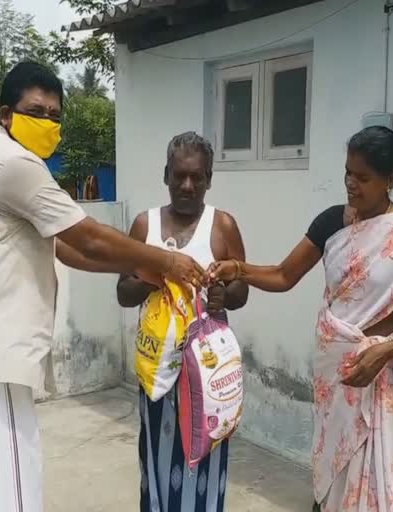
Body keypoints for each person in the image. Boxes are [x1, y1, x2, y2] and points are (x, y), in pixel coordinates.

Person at [0, 62, 205, 512]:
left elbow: (68, 249)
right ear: (5, 114)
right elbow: (88, 236)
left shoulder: (16, 167)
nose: (48, 123)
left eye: (55, 115)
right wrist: (168, 261)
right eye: (36, 111)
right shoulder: (12, 165)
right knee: (3, 493)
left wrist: (146, 272)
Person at [209, 126, 393, 512]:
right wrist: (238, 268)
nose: (351, 184)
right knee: (332, 477)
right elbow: (284, 275)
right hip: (336, 376)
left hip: (378, 375)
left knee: (374, 487)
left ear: (391, 179)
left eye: (363, 177)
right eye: (347, 173)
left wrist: (386, 351)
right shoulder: (331, 223)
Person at [116, 132, 250, 512]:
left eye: (197, 177)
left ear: (209, 178)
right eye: (179, 176)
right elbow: (123, 293)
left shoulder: (222, 225)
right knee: (157, 458)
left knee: (205, 460)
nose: (187, 186)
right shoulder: (146, 226)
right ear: (166, 175)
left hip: (207, 374)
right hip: (158, 369)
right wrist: (155, 273)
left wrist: (225, 294)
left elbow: (242, 289)